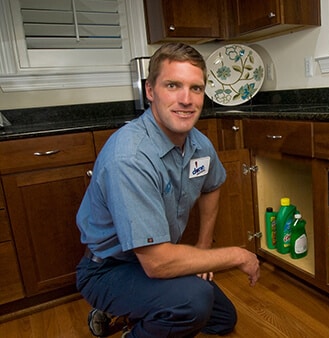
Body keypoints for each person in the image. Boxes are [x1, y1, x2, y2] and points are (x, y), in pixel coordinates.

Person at [76, 42, 261, 338]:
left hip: (154, 261)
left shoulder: (199, 143)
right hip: (109, 268)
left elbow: (212, 186)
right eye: (173, 85)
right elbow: (158, 262)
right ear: (150, 91)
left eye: (196, 88)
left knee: (223, 319)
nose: (186, 99)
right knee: (193, 302)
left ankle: (133, 314)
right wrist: (239, 255)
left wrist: (203, 246)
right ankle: (125, 315)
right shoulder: (130, 157)